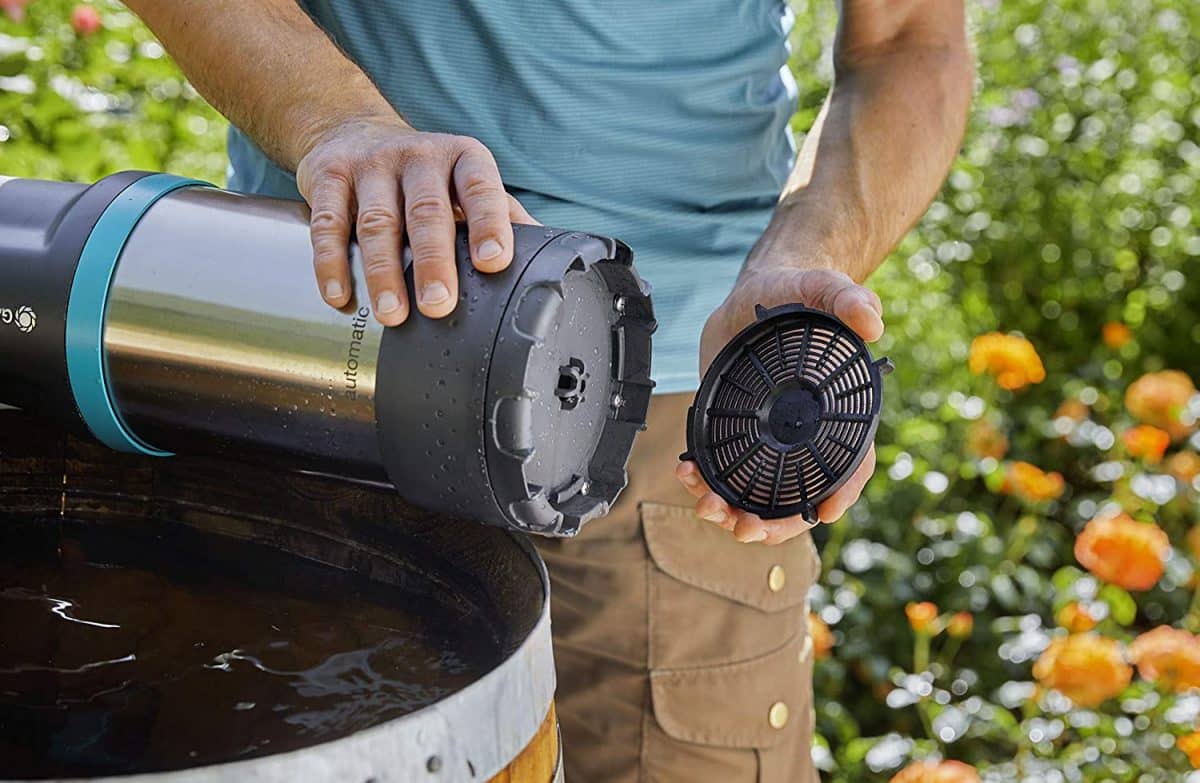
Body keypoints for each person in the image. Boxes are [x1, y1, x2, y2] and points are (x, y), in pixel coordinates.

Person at [125, 1, 973, 779]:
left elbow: (909, 40)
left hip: (661, 435)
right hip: (314, 360)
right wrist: (336, 119)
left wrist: (803, 254)